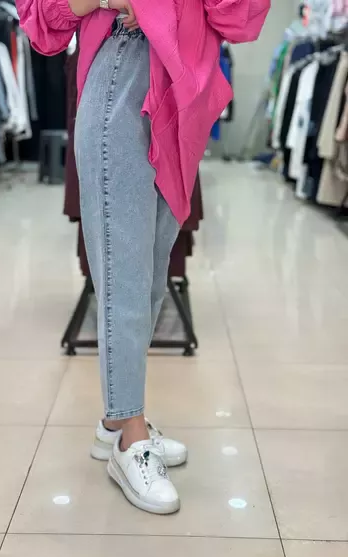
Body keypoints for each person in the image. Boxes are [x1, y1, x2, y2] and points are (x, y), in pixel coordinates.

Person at [16, 0, 270, 515]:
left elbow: (241, 16)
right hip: (121, 68)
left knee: (152, 274)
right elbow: (40, 18)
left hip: (182, 81)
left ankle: (114, 421)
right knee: (125, 271)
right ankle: (130, 436)